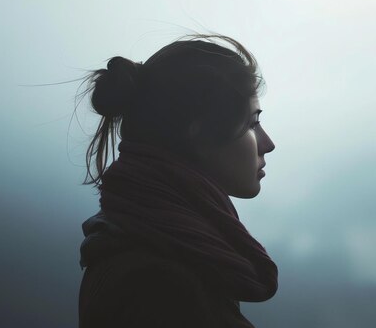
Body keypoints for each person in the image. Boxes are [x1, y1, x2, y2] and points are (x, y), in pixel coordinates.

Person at [77, 34, 278, 328]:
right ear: (197, 134)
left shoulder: (157, 246)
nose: (268, 143)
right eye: (252, 123)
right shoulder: (159, 283)